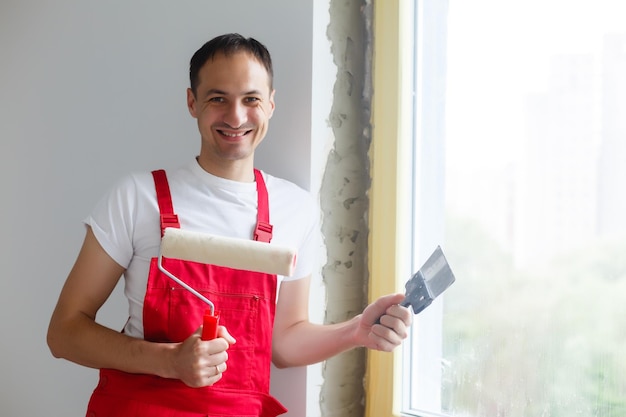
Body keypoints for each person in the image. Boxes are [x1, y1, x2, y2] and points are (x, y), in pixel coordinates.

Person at [47, 33, 412, 417]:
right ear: (192, 103)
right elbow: (64, 333)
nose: (235, 117)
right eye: (217, 98)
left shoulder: (295, 209)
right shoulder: (137, 198)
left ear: (271, 104)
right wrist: (170, 361)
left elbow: (284, 344)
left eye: (251, 99)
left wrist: (356, 331)